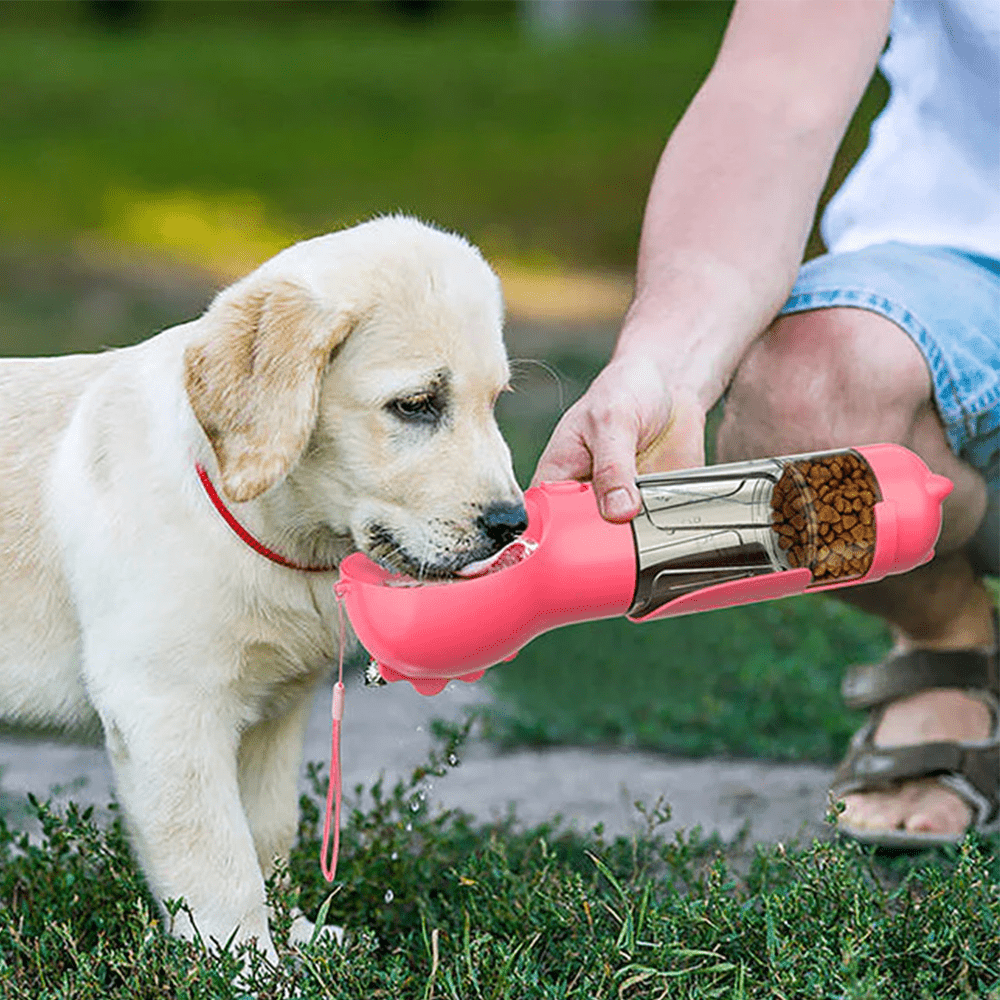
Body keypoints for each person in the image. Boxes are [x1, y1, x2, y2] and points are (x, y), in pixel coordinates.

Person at [532, 0, 999, 846]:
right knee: (810, 395)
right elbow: (772, 94)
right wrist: (666, 368)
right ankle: (949, 641)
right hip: (962, 256)